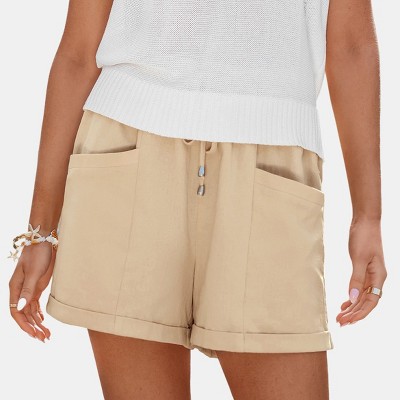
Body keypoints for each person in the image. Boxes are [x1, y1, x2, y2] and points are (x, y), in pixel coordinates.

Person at [8, 0, 386, 398]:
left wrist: (368, 216)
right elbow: (79, 52)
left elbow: (352, 46)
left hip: (272, 171)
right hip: (127, 155)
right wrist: (41, 230)